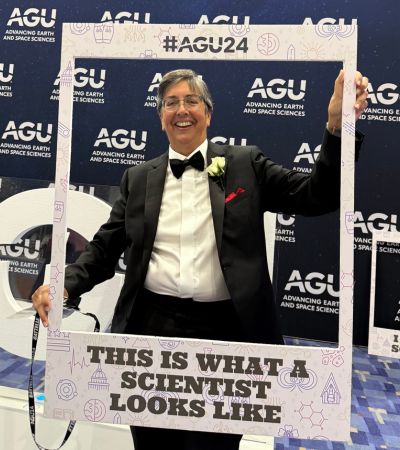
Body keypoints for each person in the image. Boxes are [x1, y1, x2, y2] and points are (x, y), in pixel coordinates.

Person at [32, 68, 368, 450]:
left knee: (216, 444)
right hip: (150, 330)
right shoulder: (138, 177)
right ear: (160, 118)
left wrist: (337, 128)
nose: (181, 110)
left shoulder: (245, 164)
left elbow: (316, 196)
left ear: (209, 114)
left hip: (226, 330)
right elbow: (104, 248)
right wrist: (64, 286)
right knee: (152, 439)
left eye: (191, 101)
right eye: (171, 103)